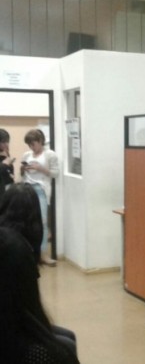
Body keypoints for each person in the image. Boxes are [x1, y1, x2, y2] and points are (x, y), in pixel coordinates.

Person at [0, 183, 79, 356]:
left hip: (11, 321)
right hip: (10, 329)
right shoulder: (19, 250)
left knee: (66, 339)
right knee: (65, 346)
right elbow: (28, 308)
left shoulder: (12, 241)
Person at [21, 129, 59, 266]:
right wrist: (24, 169)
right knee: (26, 221)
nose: (31, 147)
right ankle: (29, 252)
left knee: (42, 221)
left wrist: (40, 168)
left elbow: (55, 173)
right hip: (27, 188)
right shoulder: (26, 155)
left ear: (41, 141)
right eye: (29, 144)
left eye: (33, 144)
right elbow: (22, 173)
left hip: (41, 189)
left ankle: (43, 253)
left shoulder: (50, 154)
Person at [0, 129, 15, 198]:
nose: (6, 144)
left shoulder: (5, 152)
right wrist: (4, 164)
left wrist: (11, 173)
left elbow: (9, 169)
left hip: (8, 186)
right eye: (3, 142)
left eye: (7, 141)